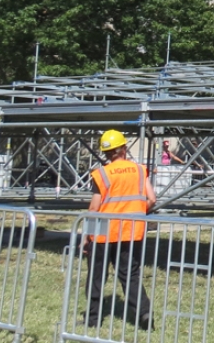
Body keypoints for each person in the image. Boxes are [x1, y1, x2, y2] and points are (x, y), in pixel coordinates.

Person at [83, 129, 156, 329]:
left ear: (107, 153)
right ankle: (144, 312)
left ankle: (92, 319)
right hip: (131, 230)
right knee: (130, 275)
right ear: (124, 149)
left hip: (103, 231)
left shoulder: (102, 174)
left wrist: (86, 236)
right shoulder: (140, 170)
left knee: (97, 276)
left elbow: (93, 208)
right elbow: (152, 199)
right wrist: (138, 212)